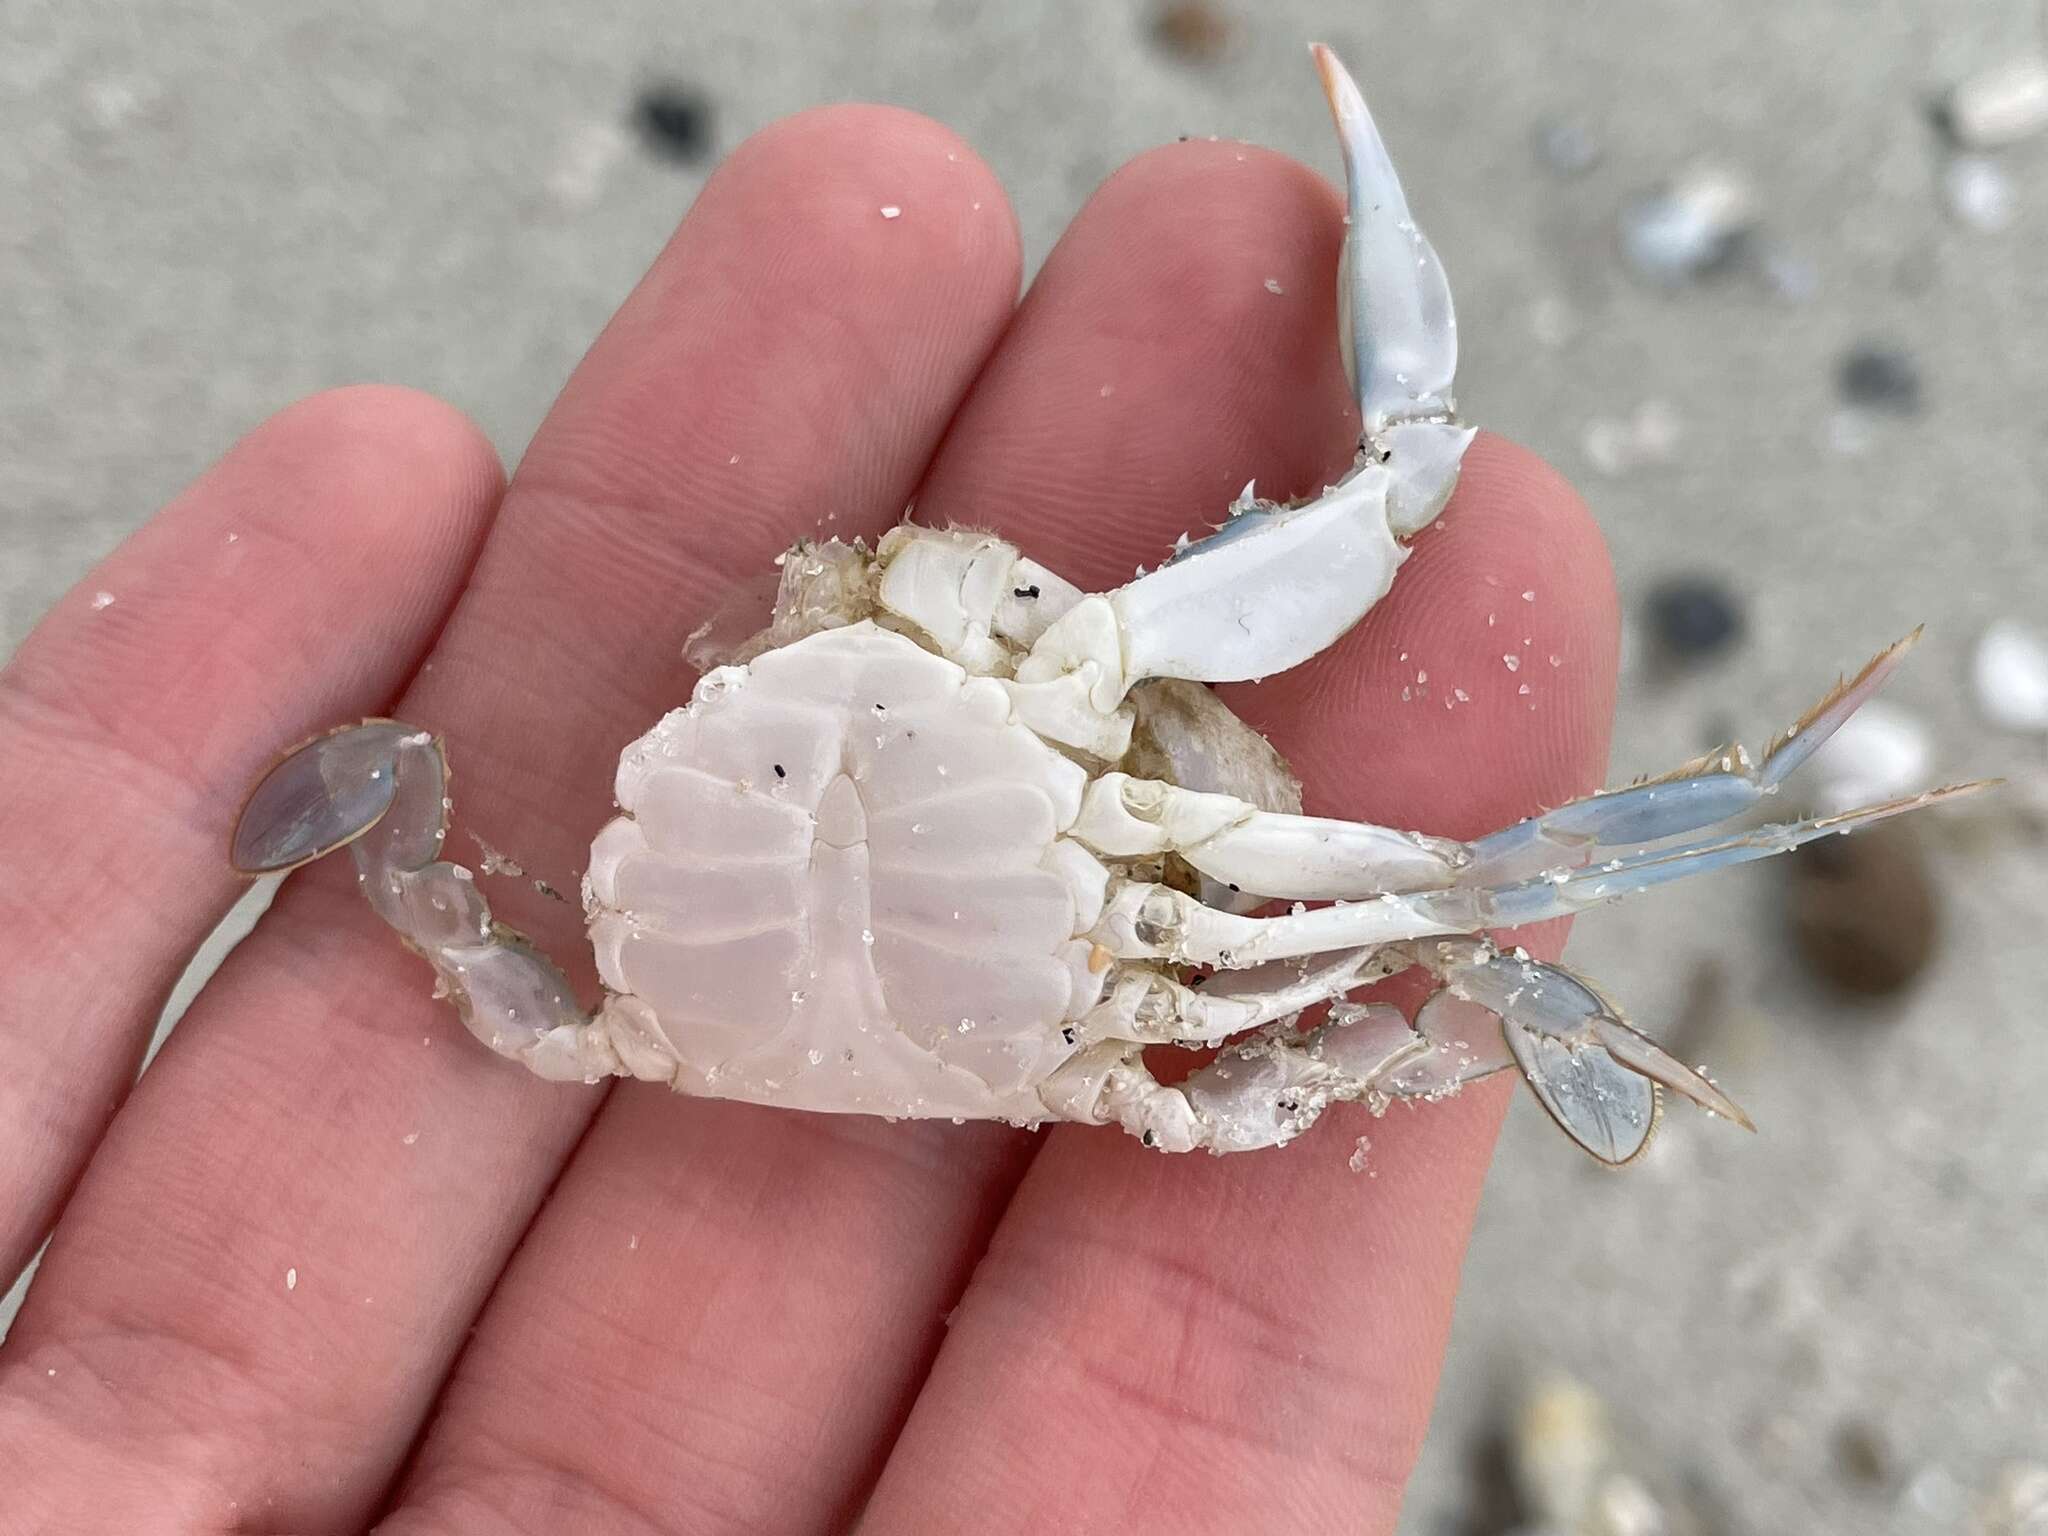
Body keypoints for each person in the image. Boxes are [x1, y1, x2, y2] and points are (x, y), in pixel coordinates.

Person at [0, 103, 1617, 1532]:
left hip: (696, 1013)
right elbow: (1433, 846)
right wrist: (1452, 948)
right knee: (1458, 898)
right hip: (1007, 1012)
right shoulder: (1131, 989)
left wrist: (411, 834)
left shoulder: (596, 1001)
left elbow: (457, 916)